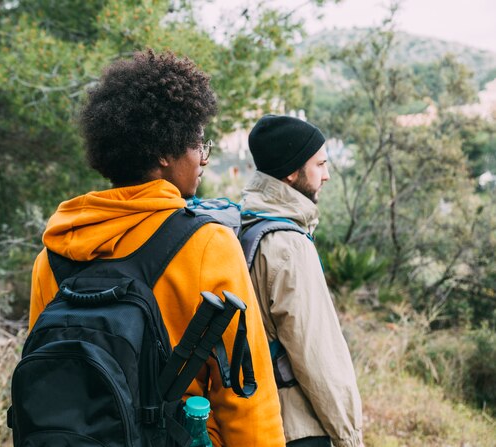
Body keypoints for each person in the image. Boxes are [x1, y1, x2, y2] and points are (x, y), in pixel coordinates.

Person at [28, 50, 286, 447]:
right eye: (198, 144)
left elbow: (46, 376)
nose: (203, 158)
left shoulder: (56, 252)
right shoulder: (207, 244)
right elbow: (243, 393)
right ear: (165, 152)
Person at [240, 115, 364, 447]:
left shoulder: (246, 222)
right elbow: (317, 358)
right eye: (320, 164)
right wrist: (350, 438)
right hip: (299, 428)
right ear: (292, 172)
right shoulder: (289, 246)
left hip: (257, 416)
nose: (326, 175)